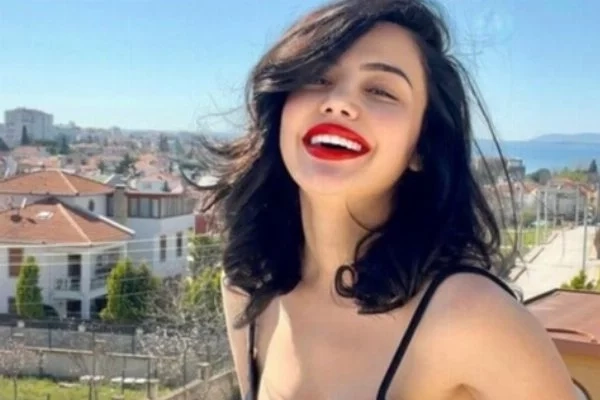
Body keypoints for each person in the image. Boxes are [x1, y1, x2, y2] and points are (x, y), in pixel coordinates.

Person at [188, 0, 578, 398]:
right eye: (317, 77)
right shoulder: (247, 288)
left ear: (421, 146)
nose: (339, 102)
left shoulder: (470, 316)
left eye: (380, 90)